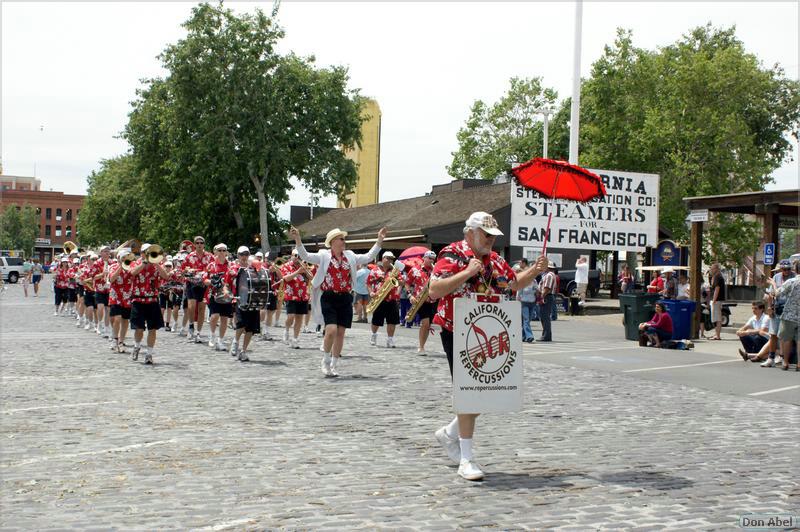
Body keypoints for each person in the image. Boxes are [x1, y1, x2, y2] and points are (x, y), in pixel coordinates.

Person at [427, 211, 548, 481]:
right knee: (471, 392)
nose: (492, 241)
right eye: (487, 235)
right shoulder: (453, 253)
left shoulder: (494, 260)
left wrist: (534, 271)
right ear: (470, 232)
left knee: (484, 391)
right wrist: (467, 272)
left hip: (489, 331)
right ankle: (466, 459)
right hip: (457, 332)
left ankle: (449, 433)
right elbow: (434, 289)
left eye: (494, 236)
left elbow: (514, 284)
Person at [290, 225, 387, 377]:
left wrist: (379, 240)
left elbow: (368, 256)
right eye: (341, 239)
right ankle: (326, 360)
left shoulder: (350, 255)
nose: (344, 241)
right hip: (329, 296)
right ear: (333, 241)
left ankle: (334, 364)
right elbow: (306, 256)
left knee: (341, 333)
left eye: (344, 239)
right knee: (331, 330)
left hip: (345, 297)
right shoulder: (323, 255)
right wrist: (298, 239)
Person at [129, 244, 171, 364]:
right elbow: (132, 273)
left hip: (152, 300)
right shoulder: (136, 263)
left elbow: (166, 276)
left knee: (153, 329)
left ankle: (149, 354)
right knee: (139, 329)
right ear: (141, 253)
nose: (147, 255)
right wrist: (144, 263)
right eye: (145, 252)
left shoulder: (156, 265)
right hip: (138, 300)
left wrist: (157, 263)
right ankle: (137, 346)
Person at [766, 259, 800, 371]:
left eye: (789, 269)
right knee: (797, 340)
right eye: (784, 269)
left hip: (789, 314)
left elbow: (776, 293)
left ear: (795, 270)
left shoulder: (792, 281)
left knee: (786, 339)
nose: (786, 271)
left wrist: (774, 284)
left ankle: (785, 362)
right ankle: (798, 364)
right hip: (792, 313)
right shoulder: (782, 277)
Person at [231, 246, 262, 361]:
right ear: (238, 256)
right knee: (241, 323)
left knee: (251, 328)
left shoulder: (253, 267)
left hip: (254, 299)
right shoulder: (233, 268)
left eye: (246, 254)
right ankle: (235, 341)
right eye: (241, 254)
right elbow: (227, 282)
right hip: (240, 300)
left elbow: (261, 280)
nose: (244, 257)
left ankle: (243, 351)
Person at [181, 236, 214, 342]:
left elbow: (214, 268)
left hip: (203, 284)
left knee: (202, 308)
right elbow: (183, 270)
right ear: (194, 245)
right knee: (191, 306)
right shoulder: (189, 256)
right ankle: (191, 326)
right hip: (192, 282)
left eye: (201, 243)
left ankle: (198, 332)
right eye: (197, 243)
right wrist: (187, 270)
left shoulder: (209, 256)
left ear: (204, 244)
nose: (199, 244)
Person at [368, 251, 403, 348]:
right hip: (379, 298)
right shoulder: (375, 270)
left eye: (391, 258)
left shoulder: (395, 271)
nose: (390, 260)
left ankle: (390, 339)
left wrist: (398, 286)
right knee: (376, 320)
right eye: (388, 258)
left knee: (392, 321)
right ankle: (374, 335)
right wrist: (371, 292)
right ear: (383, 258)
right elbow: (368, 282)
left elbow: (401, 282)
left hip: (392, 299)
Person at [406, 250, 439, 353]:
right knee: (425, 323)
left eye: (433, 259)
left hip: (433, 300)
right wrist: (410, 295)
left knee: (427, 325)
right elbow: (407, 283)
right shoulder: (415, 270)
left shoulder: (436, 271)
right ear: (424, 258)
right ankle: (421, 347)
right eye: (429, 258)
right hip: (419, 300)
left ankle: (422, 345)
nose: (431, 261)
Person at [280, 249, 313, 349]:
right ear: (292, 256)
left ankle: (295, 339)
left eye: (300, 257)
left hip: (302, 295)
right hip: (291, 295)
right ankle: (286, 329)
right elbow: (286, 278)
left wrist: (305, 269)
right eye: (296, 256)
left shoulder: (304, 266)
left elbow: (311, 277)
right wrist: (298, 271)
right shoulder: (286, 266)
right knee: (291, 316)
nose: (298, 259)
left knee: (299, 318)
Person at [205, 243, 235, 351]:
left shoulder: (231, 265)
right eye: (219, 250)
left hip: (227, 295)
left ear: (227, 252)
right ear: (216, 252)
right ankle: (212, 335)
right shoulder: (211, 265)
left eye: (224, 250)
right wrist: (212, 281)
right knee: (214, 316)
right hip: (214, 294)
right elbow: (205, 279)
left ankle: (221, 341)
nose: (222, 252)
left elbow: (236, 277)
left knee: (224, 319)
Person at [107, 249, 133, 353]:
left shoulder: (131, 267)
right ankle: (115, 339)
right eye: (123, 258)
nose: (126, 260)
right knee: (117, 318)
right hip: (116, 296)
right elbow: (112, 279)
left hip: (127, 296)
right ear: (119, 258)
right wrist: (121, 267)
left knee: (125, 320)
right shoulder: (113, 266)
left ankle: (121, 341)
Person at [515, 264, 539, 343]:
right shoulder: (523, 281)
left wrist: (538, 291)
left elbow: (537, 289)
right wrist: (517, 302)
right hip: (524, 302)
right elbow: (519, 292)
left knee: (528, 321)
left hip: (532, 302)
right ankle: (530, 336)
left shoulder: (534, 281)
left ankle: (523, 336)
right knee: (526, 319)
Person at [538, 261, 557, 342]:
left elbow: (547, 288)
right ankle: (545, 335)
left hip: (547, 296)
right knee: (544, 317)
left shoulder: (549, 275)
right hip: (548, 296)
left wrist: (542, 297)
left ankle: (546, 336)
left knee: (545, 317)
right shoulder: (550, 275)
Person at [709, 263, 726, 340]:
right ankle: (716, 334)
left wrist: (714, 300)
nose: (711, 270)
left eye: (712, 269)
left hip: (717, 300)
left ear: (717, 269)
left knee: (717, 318)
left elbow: (717, 289)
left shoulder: (718, 277)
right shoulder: (715, 277)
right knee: (715, 318)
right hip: (715, 300)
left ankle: (717, 335)